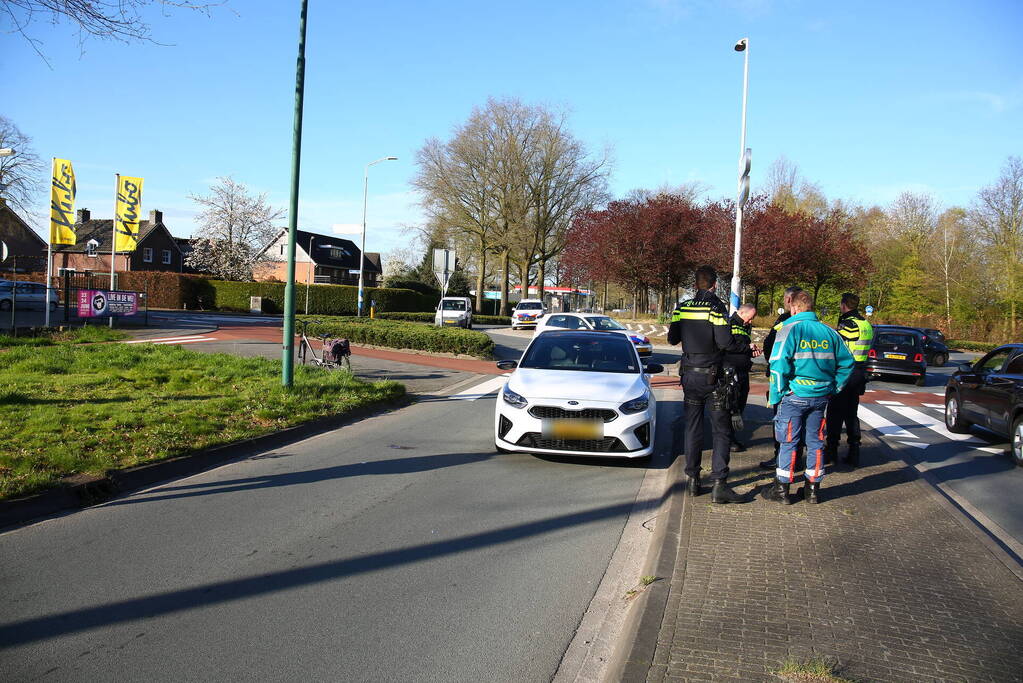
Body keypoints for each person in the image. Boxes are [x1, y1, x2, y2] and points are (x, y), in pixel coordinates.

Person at [762, 291, 855, 505]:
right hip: (821, 396)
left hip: (794, 395)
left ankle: (782, 490)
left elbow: (778, 365)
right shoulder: (830, 333)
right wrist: (834, 387)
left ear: (794, 308)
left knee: (788, 442)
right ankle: (812, 490)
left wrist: (778, 393)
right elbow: (848, 363)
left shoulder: (790, 329)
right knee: (815, 442)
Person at [667, 266, 744, 503]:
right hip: (714, 378)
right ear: (713, 285)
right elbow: (725, 342)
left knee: (692, 428)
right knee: (720, 431)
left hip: (689, 377)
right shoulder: (716, 308)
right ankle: (719, 485)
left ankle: (692, 480)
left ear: (696, 285)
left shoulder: (683, 307)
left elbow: (672, 339)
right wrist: (743, 347)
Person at [825, 293, 874, 468]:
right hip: (860, 372)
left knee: (834, 412)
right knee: (851, 413)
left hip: (846, 372)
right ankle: (854, 451)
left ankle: (831, 452)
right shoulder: (866, 324)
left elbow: (837, 345)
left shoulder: (849, 323)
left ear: (844, 304)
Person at [758, 286, 803, 471]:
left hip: (783, 378)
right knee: (802, 423)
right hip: (804, 380)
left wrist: (771, 364)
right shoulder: (814, 322)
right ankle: (797, 458)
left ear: (789, 300)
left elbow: (771, 342)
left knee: (782, 420)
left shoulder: (785, 320)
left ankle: (781, 459)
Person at [723, 303, 760, 451]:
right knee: (731, 406)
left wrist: (752, 351)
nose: (750, 322)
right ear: (742, 312)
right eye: (750, 318)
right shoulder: (729, 323)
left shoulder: (745, 326)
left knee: (739, 406)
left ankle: (732, 437)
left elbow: (743, 347)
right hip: (731, 373)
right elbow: (728, 346)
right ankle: (727, 440)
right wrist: (747, 348)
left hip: (743, 372)